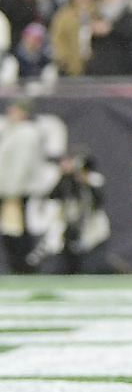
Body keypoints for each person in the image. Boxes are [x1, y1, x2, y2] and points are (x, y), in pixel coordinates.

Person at [0, 101, 48, 273]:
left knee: (17, 233)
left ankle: (23, 267)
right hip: (12, 190)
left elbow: (20, 165)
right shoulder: (13, 130)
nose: (10, 111)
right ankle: (20, 266)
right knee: (12, 232)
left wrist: (11, 191)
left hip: (18, 191)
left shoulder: (26, 133)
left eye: (14, 109)